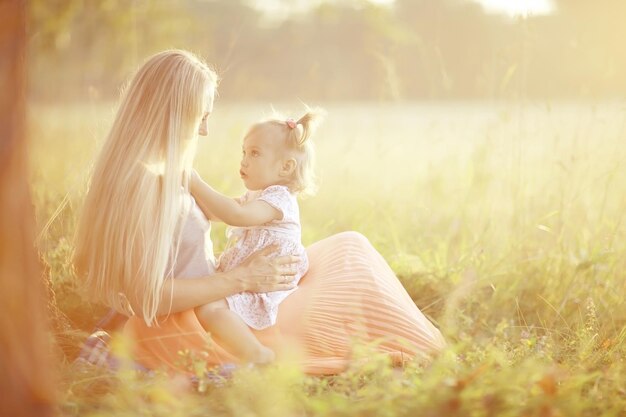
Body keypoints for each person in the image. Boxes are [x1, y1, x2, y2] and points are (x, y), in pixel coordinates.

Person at [74, 49, 446, 376]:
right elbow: (146, 297)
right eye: (201, 116)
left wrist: (246, 266)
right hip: (208, 318)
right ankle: (423, 350)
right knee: (354, 275)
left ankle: (422, 346)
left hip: (227, 297)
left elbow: (228, 216)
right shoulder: (144, 185)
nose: (203, 131)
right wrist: (242, 278)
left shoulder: (159, 173)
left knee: (350, 248)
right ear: (173, 114)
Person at [190, 110, 322, 364]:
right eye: (244, 152)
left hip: (268, 282)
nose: (244, 161)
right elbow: (218, 211)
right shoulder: (258, 196)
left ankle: (256, 353)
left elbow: (235, 215)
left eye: (255, 153)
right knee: (206, 298)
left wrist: (195, 182)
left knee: (210, 308)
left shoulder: (279, 198)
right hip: (253, 274)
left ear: (286, 167)